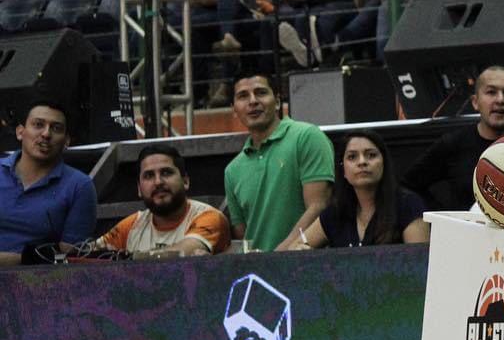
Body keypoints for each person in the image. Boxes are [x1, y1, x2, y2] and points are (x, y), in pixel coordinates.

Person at [223, 69, 336, 253]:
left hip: (307, 264)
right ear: (234, 109)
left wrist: (281, 254)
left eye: (261, 92)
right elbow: (244, 236)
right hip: (258, 273)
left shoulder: (307, 137)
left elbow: (319, 207)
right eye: (243, 96)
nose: (253, 101)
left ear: (277, 101)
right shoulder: (232, 170)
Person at [402, 64, 504, 210]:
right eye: (491, 92)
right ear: (475, 102)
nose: (500, 100)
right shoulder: (453, 144)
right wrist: (443, 217)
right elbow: (408, 185)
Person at [289, 131, 428, 249]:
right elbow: (295, 250)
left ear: (384, 163)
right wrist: (302, 253)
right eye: (352, 157)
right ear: (343, 170)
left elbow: (420, 264)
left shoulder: (407, 204)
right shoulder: (336, 212)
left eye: (371, 155)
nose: (362, 162)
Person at [0, 98, 97, 265]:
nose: (46, 134)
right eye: (38, 125)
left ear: (67, 141)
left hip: (42, 284)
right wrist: (27, 259)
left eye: (56, 128)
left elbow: (70, 261)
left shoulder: (79, 186)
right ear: (20, 132)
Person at [97, 144, 231, 257]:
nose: (158, 182)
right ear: (139, 188)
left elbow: (182, 254)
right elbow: (87, 254)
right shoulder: (131, 226)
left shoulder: (209, 217)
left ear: (185, 181)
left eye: (166, 173)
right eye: (149, 176)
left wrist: (130, 259)